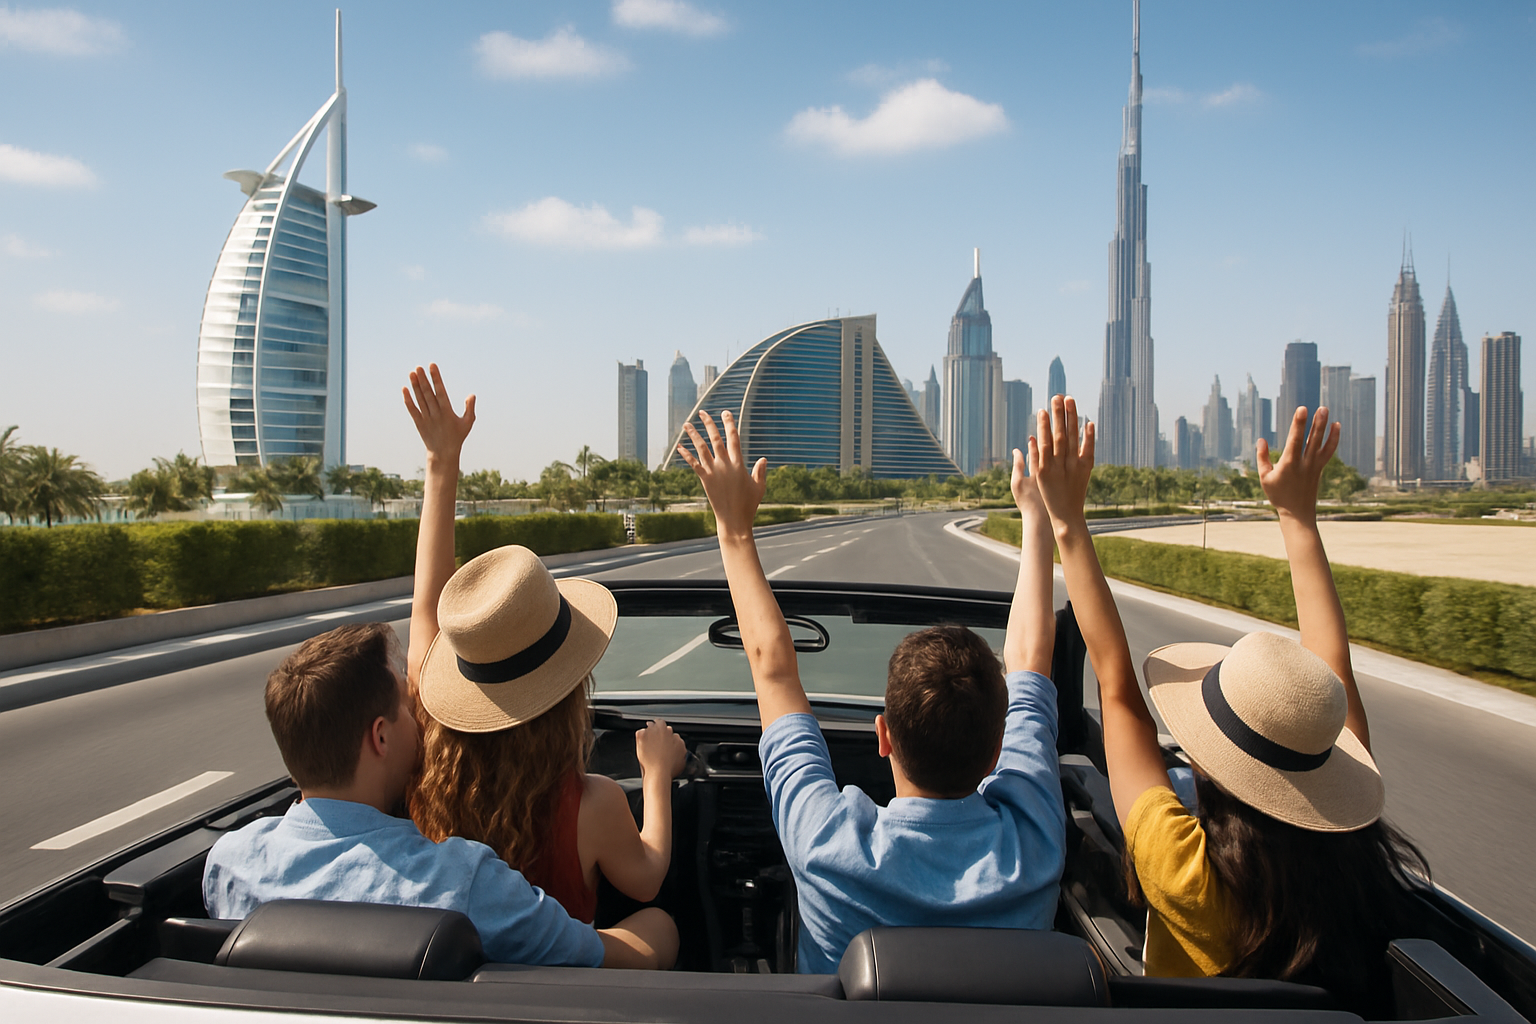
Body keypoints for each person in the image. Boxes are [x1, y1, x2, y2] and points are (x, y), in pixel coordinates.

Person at [1028, 396, 1428, 1016]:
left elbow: (1120, 694)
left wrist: (1065, 521)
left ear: (1215, 760)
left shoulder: (1186, 871)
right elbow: (1122, 692)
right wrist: (1298, 519)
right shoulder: (1356, 857)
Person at [675, 409, 1066, 974]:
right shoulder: (1035, 841)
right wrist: (1039, 517)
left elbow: (773, 668)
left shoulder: (827, 845)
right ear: (997, 747)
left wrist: (733, 529)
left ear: (883, 736)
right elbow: (1031, 659)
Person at [202, 621, 677, 969]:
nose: (422, 718)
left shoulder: (230, 862)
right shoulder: (461, 882)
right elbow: (611, 958)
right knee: (659, 928)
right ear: (381, 739)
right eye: (410, 707)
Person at [400, 365, 687, 930]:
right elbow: (648, 876)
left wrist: (441, 466)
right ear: (568, 690)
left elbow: (425, 616)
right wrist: (657, 771)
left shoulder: (424, 770)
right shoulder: (590, 803)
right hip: (560, 988)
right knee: (662, 929)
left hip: (456, 983)